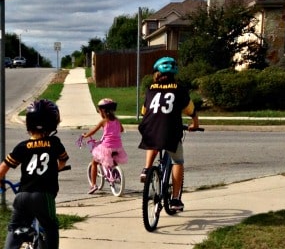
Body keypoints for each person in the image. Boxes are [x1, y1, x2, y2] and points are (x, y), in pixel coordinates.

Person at [0, 99, 69, 249]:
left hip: (22, 196)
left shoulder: (22, 146)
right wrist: (56, 168)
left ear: (29, 123)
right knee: (50, 225)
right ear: (52, 123)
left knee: (15, 226)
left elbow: (6, 164)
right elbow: (63, 161)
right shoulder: (54, 143)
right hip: (44, 196)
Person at [137, 56, 200, 211]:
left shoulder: (150, 89)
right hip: (170, 129)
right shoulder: (179, 89)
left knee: (153, 140)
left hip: (149, 127)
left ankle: (146, 169)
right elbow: (190, 110)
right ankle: (175, 199)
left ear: (157, 72)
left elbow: (144, 111)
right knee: (177, 161)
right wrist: (195, 124)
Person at [81, 98, 128, 194]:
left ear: (102, 111)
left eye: (99, 111)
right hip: (118, 147)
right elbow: (122, 130)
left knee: (94, 162)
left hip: (107, 147)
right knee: (113, 161)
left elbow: (93, 131)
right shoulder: (117, 121)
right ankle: (116, 175)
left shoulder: (104, 121)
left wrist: (85, 135)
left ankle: (93, 185)